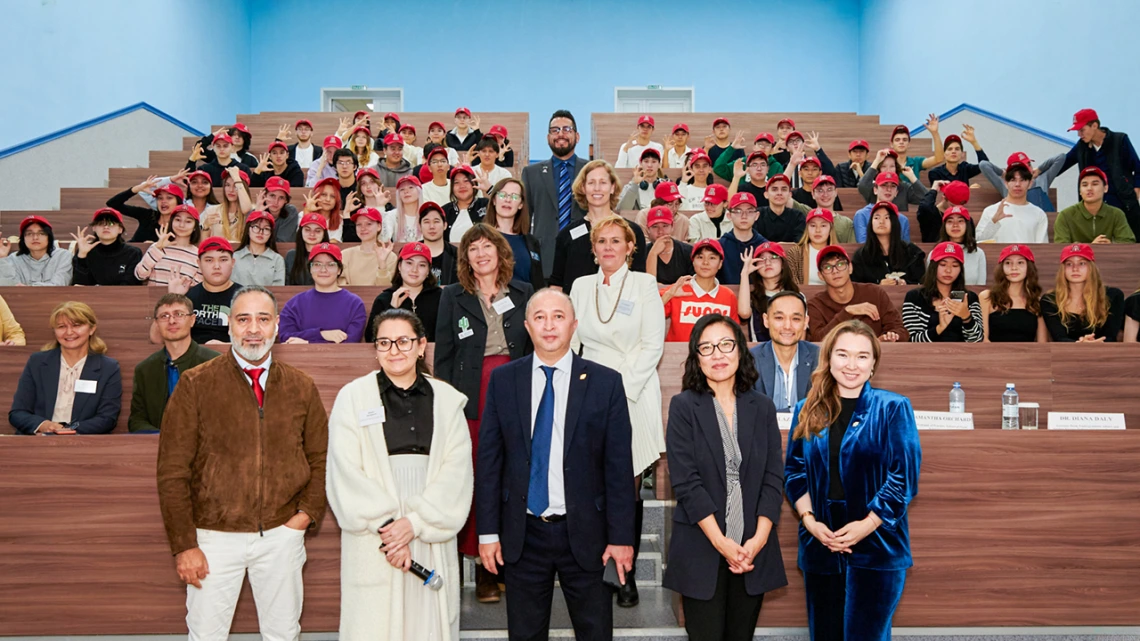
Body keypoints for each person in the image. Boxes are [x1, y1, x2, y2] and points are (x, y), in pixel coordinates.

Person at [156, 285, 327, 641]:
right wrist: (185, 544)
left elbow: (320, 459)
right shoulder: (195, 384)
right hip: (213, 538)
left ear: (277, 325)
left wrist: (303, 517)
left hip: (282, 534)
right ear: (228, 325)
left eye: (263, 319)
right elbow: (172, 472)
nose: (253, 329)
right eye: (243, 319)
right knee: (206, 634)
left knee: (283, 633)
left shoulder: (301, 386)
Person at [476, 287, 635, 639]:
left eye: (558, 317)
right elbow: (489, 461)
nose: (549, 325)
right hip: (523, 533)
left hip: (587, 535)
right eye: (540, 317)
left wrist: (621, 536)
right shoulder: (504, 380)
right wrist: (487, 532)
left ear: (574, 325)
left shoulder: (605, 383)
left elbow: (619, 469)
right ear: (527, 326)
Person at [325, 308, 472, 641]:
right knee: (375, 626)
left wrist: (414, 524)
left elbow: (456, 471)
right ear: (374, 349)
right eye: (385, 342)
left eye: (404, 341)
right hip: (375, 532)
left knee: (427, 623)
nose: (395, 350)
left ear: (421, 346)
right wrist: (390, 529)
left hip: (429, 523)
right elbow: (344, 470)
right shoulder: (353, 397)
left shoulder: (447, 400)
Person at [785, 320, 921, 641]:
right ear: (829, 359)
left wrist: (867, 525)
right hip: (821, 542)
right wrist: (809, 521)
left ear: (874, 363)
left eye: (862, 356)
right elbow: (794, 471)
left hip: (877, 542)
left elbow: (904, 478)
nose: (851, 365)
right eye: (843, 355)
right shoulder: (807, 409)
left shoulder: (893, 407)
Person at [662, 313, 787, 641]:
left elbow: (773, 479)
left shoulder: (762, 407)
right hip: (702, 546)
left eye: (725, 344)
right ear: (696, 358)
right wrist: (722, 543)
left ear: (741, 351)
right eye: (706, 348)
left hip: (752, 550)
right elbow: (686, 483)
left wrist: (756, 542)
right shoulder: (684, 407)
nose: (717, 354)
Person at [568, 214, 666, 608]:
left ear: (630, 247)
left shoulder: (644, 284)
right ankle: (597, 568)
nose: (608, 247)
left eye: (616, 241)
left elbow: (652, 344)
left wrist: (618, 390)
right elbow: (571, 341)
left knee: (627, 483)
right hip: (588, 386)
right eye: (601, 241)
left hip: (635, 388)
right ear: (593, 250)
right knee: (592, 482)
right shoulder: (580, 285)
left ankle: (625, 575)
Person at [434, 223, 534, 603]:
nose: (480, 253)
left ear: (500, 252)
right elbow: (443, 355)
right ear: (466, 259)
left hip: (516, 392)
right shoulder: (453, 297)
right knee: (478, 478)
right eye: (472, 248)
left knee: (516, 475)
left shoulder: (524, 292)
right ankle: (480, 565)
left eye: (486, 246)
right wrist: (447, 404)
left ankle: (512, 560)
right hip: (470, 398)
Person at [8, 302, 122, 435]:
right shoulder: (37, 362)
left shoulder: (108, 367)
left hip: (84, 443)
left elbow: (107, 418)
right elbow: (18, 413)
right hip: (37, 440)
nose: (69, 332)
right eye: (61, 326)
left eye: (76, 325)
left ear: (92, 329)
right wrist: (44, 426)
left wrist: (67, 430)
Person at [549, 160, 648, 293]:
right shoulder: (567, 235)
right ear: (583, 188)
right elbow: (557, 285)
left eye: (603, 182)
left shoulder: (632, 231)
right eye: (591, 183)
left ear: (612, 187)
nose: (597, 188)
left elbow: (640, 279)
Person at [128, 294, 218, 433]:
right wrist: (164, 438)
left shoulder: (216, 364)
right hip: (158, 448)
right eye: (164, 316)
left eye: (179, 314)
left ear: (192, 320)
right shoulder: (145, 369)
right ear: (157, 323)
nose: (171, 321)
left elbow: (225, 416)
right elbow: (137, 420)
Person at [523, 110, 590, 277]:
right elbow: (523, 217)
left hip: (585, 255)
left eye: (567, 129)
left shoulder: (592, 170)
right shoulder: (531, 173)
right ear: (548, 138)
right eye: (555, 130)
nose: (561, 134)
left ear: (577, 136)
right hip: (545, 258)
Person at [1060, 108, 1140, 235]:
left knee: (1131, 244)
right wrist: (1039, 171)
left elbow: (1137, 167)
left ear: (1095, 125)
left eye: (1082, 130)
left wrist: (1136, 189)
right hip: (1096, 208)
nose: (1079, 135)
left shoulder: (1120, 140)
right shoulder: (1082, 146)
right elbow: (1063, 162)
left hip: (1124, 204)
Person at [808, 247, 906, 343]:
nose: (835, 271)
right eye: (828, 267)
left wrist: (886, 338)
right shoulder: (815, 305)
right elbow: (817, 340)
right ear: (820, 275)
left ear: (850, 268)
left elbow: (900, 330)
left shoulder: (875, 293)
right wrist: (847, 312)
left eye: (840, 264)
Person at [278, 243, 367, 344]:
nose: (323, 270)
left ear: (339, 270)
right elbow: (286, 338)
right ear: (310, 269)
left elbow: (351, 342)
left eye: (330, 265)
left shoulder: (354, 304)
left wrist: (308, 343)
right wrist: (321, 334)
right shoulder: (294, 304)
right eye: (317, 264)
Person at [749, 291, 819, 412]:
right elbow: (748, 410)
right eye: (779, 318)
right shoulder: (751, 360)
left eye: (796, 319)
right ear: (766, 320)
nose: (787, 326)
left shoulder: (820, 357)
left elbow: (822, 408)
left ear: (805, 322)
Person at [1040, 243, 1125, 342]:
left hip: (1104, 353)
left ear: (1091, 267)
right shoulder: (1050, 300)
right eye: (1069, 264)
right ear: (1063, 269)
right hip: (1066, 355)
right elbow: (1060, 338)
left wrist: (1091, 344)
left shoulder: (1113, 296)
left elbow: (1110, 337)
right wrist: (1081, 344)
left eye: (1082, 263)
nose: (1075, 269)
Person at [902, 242, 983, 343]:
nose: (948, 270)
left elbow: (977, 341)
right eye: (943, 264)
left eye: (955, 265)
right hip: (926, 356)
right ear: (933, 267)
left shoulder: (969, 298)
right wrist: (940, 328)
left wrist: (966, 317)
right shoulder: (915, 297)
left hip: (962, 356)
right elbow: (913, 340)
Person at [166, 237, 242, 345]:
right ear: (199, 263)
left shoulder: (246, 297)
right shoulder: (187, 297)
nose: (216, 266)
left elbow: (258, 341)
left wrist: (226, 348)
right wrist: (173, 298)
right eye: (209, 260)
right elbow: (157, 339)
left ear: (233, 262)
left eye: (223, 260)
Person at [662, 239, 738, 342]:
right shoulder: (676, 289)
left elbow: (733, 334)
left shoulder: (728, 296)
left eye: (712, 258)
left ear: (720, 264)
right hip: (678, 355)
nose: (705, 262)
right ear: (693, 262)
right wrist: (668, 295)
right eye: (700, 257)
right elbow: (645, 317)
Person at [365, 243, 443, 343]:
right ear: (399, 266)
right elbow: (371, 338)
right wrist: (391, 309)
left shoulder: (441, 297)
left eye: (422, 265)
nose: (414, 270)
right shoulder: (384, 299)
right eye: (409, 263)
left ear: (428, 271)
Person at [484, 177, 546, 290]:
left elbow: (538, 282)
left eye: (514, 196)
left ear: (521, 204)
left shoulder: (531, 242)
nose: (508, 200)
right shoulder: (481, 237)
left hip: (525, 303)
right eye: (502, 195)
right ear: (494, 200)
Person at [979, 245, 1047, 342]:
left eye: (1020, 263)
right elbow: (982, 340)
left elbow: (1042, 344)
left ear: (1029, 267)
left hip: (1029, 356)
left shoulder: (1037, 302)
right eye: (1008, 263)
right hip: (994, 355)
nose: (1014, 268)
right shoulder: (987, 297)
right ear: (1001, 268)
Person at [975, 157, 1049, 244]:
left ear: (1030, 184)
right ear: (1006, 183)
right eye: (1013, 180)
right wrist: (994, 221)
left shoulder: (1039, 214)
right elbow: (978, 242)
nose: (1017, 184)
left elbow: (1042, 248)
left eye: (1022, 180)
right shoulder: (990, 211)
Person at [1054, 167, 1136, 244]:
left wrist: (1111, 246)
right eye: (1084, 185)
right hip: (1077, 259)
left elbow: (1128, 242)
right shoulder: (1065, 216)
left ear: (1105, 188)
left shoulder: (1116, 214)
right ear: (1080, 191)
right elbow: (1060, 247)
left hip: (1109, 258)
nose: (1089, 188)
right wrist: (1091, 247)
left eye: (1095, 184)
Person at [851, 202, 926, 286]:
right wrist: (878, 286)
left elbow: (922, 283)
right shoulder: (861, 256)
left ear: (894, 222)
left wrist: (905, 284)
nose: (881, 222)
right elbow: (856, 287)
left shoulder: (912, 252)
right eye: (876, 218)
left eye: (887, 217)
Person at [738, 242, 799, 342]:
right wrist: (745, 273)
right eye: (762, 259)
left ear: (783, 264)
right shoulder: (752, 297)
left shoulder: (796, 296)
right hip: (759, 353)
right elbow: (744, 313)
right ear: (756, 267)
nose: (767, 263)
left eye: (774, 257)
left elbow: (801, 333)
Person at [71, 208, 143, 286]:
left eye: (111, 223)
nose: (106, 227)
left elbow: (130, 285)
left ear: (120, 229)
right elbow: (79, 285)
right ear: (94, 228)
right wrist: (82, 257)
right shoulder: (85, 251)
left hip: (121, 297)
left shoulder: (132, 253)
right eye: (101, 223)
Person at [134, 205, 202, 287]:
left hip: (182, 299)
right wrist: (157, 248)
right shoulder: (157, 246)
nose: (181, 225)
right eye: (178, 220)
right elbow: (140, 275)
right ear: (171, 222)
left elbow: (197, 287)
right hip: (154, 298)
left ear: (195, 226)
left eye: (188, 221)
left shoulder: (198, 255)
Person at [0, 216, 73, 286]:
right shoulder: (14, 259)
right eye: (29, 234)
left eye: (41, 233)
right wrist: (2, 258)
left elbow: (59, 285)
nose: (35, 237)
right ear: (23, 238)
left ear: (49, 237)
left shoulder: (63, 256)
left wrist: (28, 288)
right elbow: (8, 288)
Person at [338, 207, 397, 287]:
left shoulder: (390, 257)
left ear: (379, 226)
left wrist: (382, 264)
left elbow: (383, 289)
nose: (363, 228)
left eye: (369, 224)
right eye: (359, 224)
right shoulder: (345, 255)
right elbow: (340, 285)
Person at [717, 193, 768, 286]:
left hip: (758, 297)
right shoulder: (720, 246)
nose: (744, 216)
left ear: (756, 215)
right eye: (738, 211)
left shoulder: (764, 246)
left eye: (749, 211)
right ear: (729, 216)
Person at [853, 170, 919, 241]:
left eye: (893, 186)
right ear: (875, 190)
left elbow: (906, 247)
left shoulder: (903, 220)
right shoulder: (862, 215)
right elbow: (862, 243)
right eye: (884, 185)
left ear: (896, 192)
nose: (889, 189)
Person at [934, 205, 986, 285]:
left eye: (960, 221)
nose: (955, 225)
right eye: (950, 221)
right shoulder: (935, 252)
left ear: (967, 225)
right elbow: (931, 283)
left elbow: (981, 285)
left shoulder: (978, 253)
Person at [785, 208, 838, 286]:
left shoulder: (838, 254)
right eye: (813, 225)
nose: (818, 230)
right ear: (807, 228)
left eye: (823, 226)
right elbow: (792, 284)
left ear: (830, 229)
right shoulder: (795, 253)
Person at [232, 211, 285, 287]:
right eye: (256, 227)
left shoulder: (277, 260)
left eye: (266, 229)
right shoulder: (235, 257)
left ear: (271, 234)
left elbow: (278, 289)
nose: (260, 232)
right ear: (248, 229)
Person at [645, 206, 694, 286]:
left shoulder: (687, 251)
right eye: (655, 226)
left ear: (672, 226)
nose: (660, 231)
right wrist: (653, 253)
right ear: (648, 229)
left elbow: (694, 283)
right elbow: (646, 287)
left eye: (665, 226)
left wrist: (663, 287)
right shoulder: (640, 254)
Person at [202, 167, 253, 242]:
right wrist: (205, 227)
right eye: (227, 185)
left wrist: (237, 179)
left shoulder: (251, 211)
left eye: (235, 186)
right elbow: (203, 243)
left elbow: (247, 209)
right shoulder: (212, 210)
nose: (231, 190)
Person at [185, 132, 252, 188]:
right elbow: (187, 183)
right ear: (213, 148)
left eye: (225, 146)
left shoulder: (243, 168)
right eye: (218, 146)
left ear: (232, 148)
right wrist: (192, 161)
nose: (221, 149)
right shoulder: (204, 169)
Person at [443, 164, 489, 244]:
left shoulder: (486, 205)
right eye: (456, 182)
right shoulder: (444, 211)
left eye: (466, 181)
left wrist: (489, 189)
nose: (462, 186)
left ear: (474, 183)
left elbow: (504, 205)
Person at [754, 174, 806, 243]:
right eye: (774, 189)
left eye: (784, 189)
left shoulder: (798, 217)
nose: (779, 193)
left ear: (790, 195)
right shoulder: (757, 215)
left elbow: (799, 245)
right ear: (766, 194)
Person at [418, 202, 459, 285]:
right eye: (426, 222)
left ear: (445, 225)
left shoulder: (457, 255)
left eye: (436, 221)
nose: (432, 226)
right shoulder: (411, 253)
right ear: (419, 227)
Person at [285, 213, 330, 287]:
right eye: (307, 230)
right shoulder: (291, 256)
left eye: (317, 231)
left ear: (324, 234)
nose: (312, 234)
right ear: (301, 232)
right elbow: (287, 284)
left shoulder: (331, 256)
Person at [303, 176, 347, 243]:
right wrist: (308, 212)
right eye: (323, 195)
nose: (328, 199)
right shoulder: (302, 214)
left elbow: (334, 242)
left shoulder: (339, 219)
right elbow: (302, 239)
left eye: (332, 196)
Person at [257, 176, 301, 243]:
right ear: (264, 195)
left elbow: (282, 242)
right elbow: (252, 240)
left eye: (281, 198)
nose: (276, 202)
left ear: (286, 200)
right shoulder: (255, 212)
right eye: (272, 196)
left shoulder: (291, 212)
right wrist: (257, 215)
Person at [384, 175, 425, 244]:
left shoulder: (427, 215)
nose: (406, 191)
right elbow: (384, 239)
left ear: (419, 191)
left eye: (411, 187)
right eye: (402, 189)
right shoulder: (391, 215)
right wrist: (380, 207)